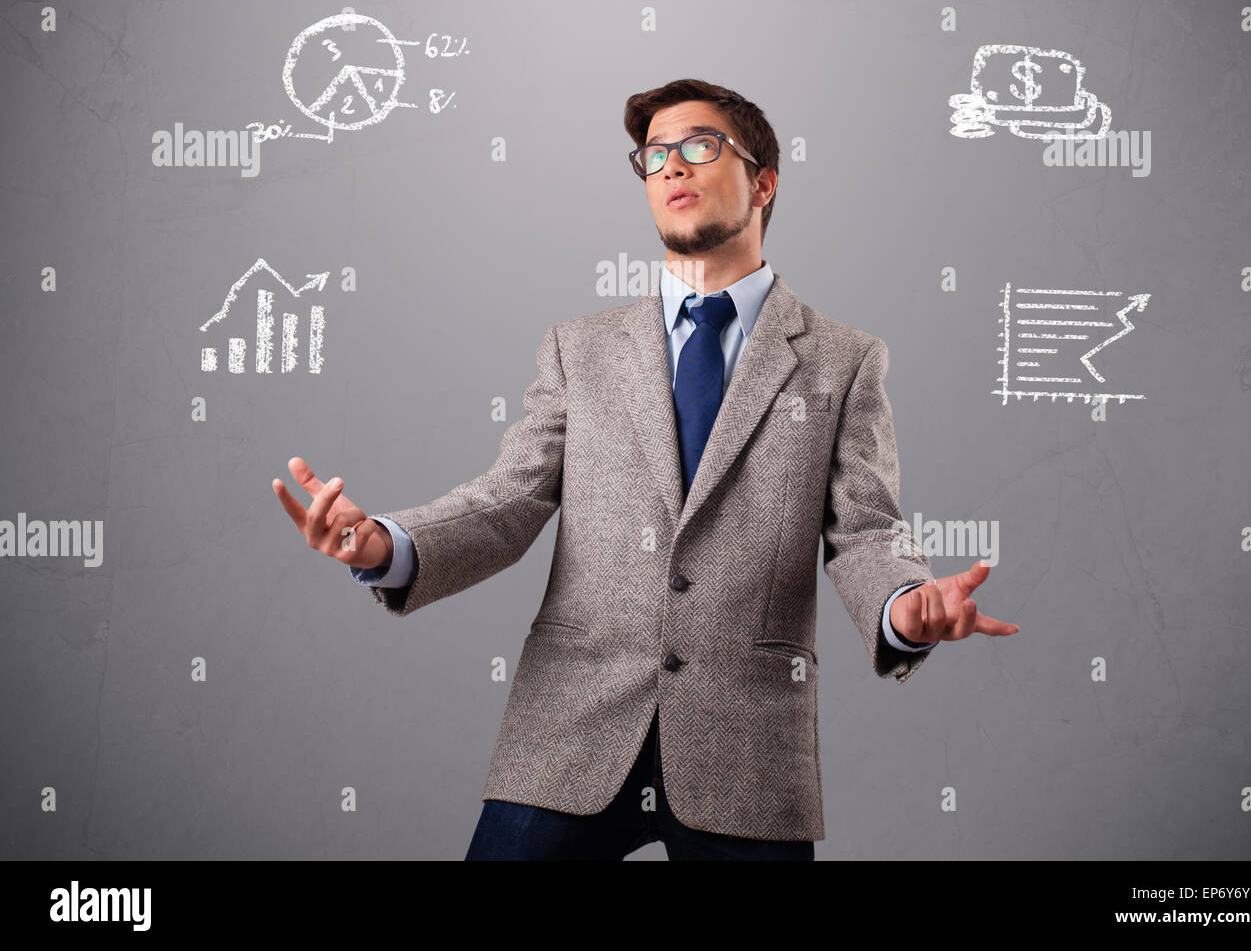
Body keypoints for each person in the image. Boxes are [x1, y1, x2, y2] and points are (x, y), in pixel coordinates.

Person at [273, 78, 1018, 860]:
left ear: (763, 181)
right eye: (655, 155)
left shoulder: (844, 361)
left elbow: (865, 535)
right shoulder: (578, 348)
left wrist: (905, 608)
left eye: (700, 147)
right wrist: (384, 544)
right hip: (570, 726)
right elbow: (506, 502)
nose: (672, 168)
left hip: (748, 746)